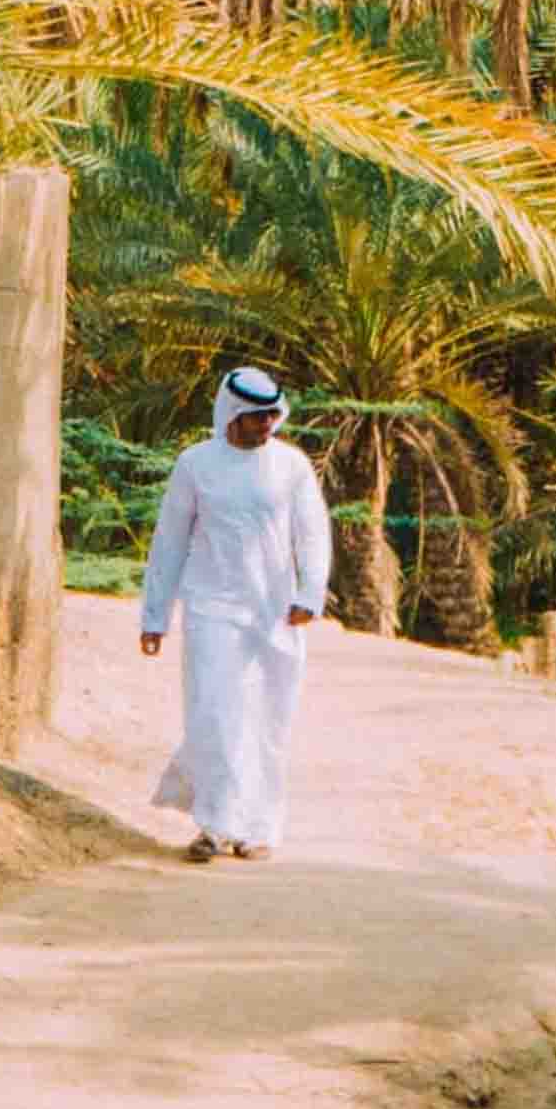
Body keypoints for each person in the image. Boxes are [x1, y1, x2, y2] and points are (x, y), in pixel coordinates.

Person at [138, 366, 332, 861]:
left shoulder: (291, 467)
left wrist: (309, 594)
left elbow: (312, 533)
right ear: (232, 414)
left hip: (274, 613)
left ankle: (257, 828)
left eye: (271, 415)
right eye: (255, 416)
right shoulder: (195, 464)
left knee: (265, 718)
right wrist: (155, 615)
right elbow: (170, 540)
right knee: (213, 713)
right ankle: (214, 825)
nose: (266, 424)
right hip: (210, 606)